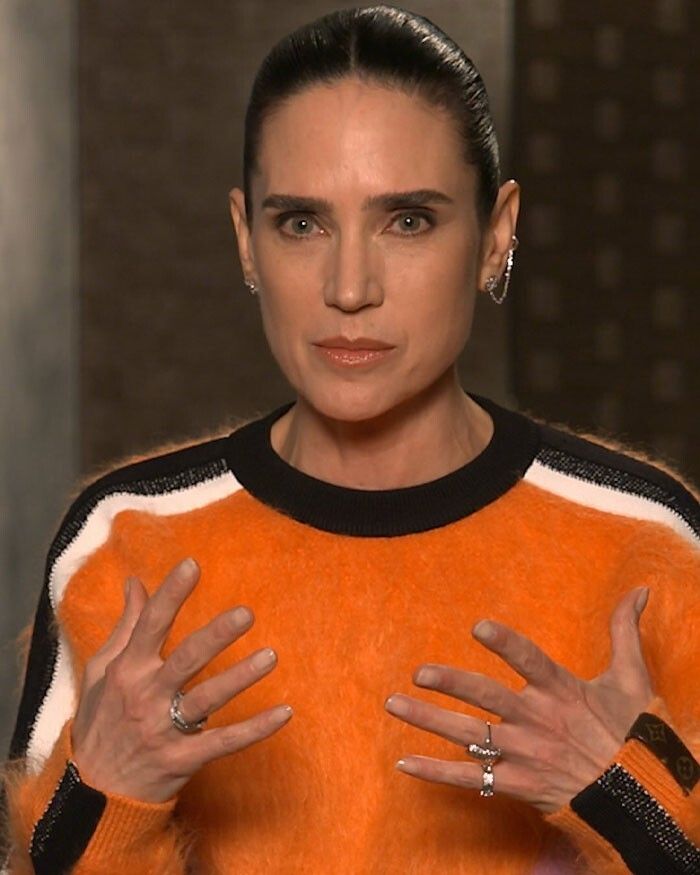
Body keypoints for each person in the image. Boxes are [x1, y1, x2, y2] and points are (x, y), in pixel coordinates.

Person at [2, 5, 699, 874]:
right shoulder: (124, 542)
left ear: (496, 235)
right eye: (302, 222)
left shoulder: (645, 542)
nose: (349, 286)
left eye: (408, 219)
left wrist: (631, 803)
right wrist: (105, 795)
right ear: (245, 240)